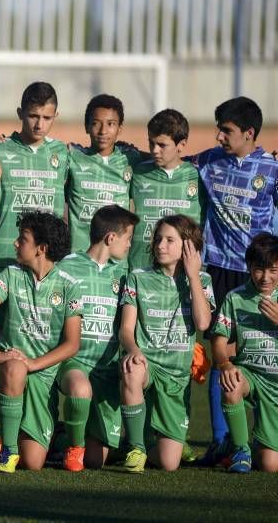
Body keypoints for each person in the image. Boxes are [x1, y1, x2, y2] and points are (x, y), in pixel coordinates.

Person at [193, 97, 278, 465]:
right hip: (218, 269)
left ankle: (264, 433)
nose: (219, 136)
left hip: (260, 271)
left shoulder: (271, 170)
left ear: (249, 133)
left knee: (264, 349)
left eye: (226, 130)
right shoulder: (208, 161)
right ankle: (223, 439)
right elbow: (169, 158)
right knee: (221, 352)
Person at [0, 211, 82, 473]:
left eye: (23, 239)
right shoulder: (10, 274)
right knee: (14, 365)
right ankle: (8, 452)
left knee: (33, 463)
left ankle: (56, 435)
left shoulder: (69, 286)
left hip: (42, 374)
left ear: (41, 249)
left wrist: (34, 363)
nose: (15, 243)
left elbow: (71, 344)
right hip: (8, 367)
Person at [119, 214, 214, 472]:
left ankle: (146, 436)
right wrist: (134, 350)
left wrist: (193, 277)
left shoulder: (202, 281)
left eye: (170, 240)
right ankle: (136, 447)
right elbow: (126, 329)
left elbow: (203, 323)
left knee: (169, 464)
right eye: (158, 239)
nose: (160, 245)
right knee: (132, 369)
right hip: (147, 365)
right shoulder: (138, 277)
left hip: (177, 377)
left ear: (188, 246)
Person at [55, 205, 139, 471]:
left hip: (107, 372)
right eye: (128, 239)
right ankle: (73, 447)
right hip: (74, 362)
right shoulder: (67, 267)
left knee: (96, 462)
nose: (129, 246)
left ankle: (59, 435)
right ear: (110, 238)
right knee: (81, 390)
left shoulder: (123, 275)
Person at [212, 232, 278, 473]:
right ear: (249, 267)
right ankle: (241, 449)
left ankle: (254, 442)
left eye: (273, 270)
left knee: (271, 465)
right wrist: (225, 365)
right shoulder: (235, 297)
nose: (265, 277)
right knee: (232, 381)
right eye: (259, 269)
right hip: (251, 375)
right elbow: (219, 342)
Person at [0, 81, 70, 270]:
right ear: (20, 113)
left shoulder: (63, 153)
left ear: (56, 116)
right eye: (33, 116)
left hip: (48, 263)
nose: (39, 124)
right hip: (4, 259)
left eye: (47, 118)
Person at [66, 94, 142, 253]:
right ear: (86, 126)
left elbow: (161, 158)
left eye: (110, 124)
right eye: (95, 123)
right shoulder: (72, 157)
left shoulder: (131, 159)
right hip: (80, 257)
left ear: (120, 128)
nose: (103, 131)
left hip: (117, 262)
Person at [129, 109, 201, 270]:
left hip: (183, 271)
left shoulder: (199, 176)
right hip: (140, 269)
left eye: (162, 145)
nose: (154, 150)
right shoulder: (138, 172)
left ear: (181, 145)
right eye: (151, 143)